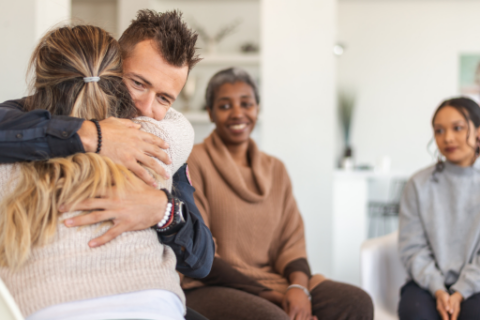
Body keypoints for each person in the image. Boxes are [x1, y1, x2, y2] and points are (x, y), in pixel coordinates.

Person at [0, 24, 196, 320]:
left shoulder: (152, 142)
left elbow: (202, 258)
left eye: (164, 99)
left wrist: (163, 210)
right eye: (139, 83)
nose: (145, 107)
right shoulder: (161, 138)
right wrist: (92, 134)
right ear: (113, 70)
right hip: (153, 301)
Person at [181, 67, 374, 320]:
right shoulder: (194, 162)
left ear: (257, 109)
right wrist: (270, 296)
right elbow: (199, 250)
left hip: (275, 280)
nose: (238, 113)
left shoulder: (276, 169)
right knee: (275, 317)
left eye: (246, 104)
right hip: (210, 285)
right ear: (210, 113)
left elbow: (291, 244)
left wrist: (298, 288)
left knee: (355, 302)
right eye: (225, 106)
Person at [398, 97, 480, 320]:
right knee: (416, 314)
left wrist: (461, 291)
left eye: (458, 128)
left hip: (477, 285)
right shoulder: (418, 184)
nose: (448, 138)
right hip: (427, 285)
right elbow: (412, 247)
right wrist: (439, 289)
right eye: (439, 131)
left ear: (478, 132)